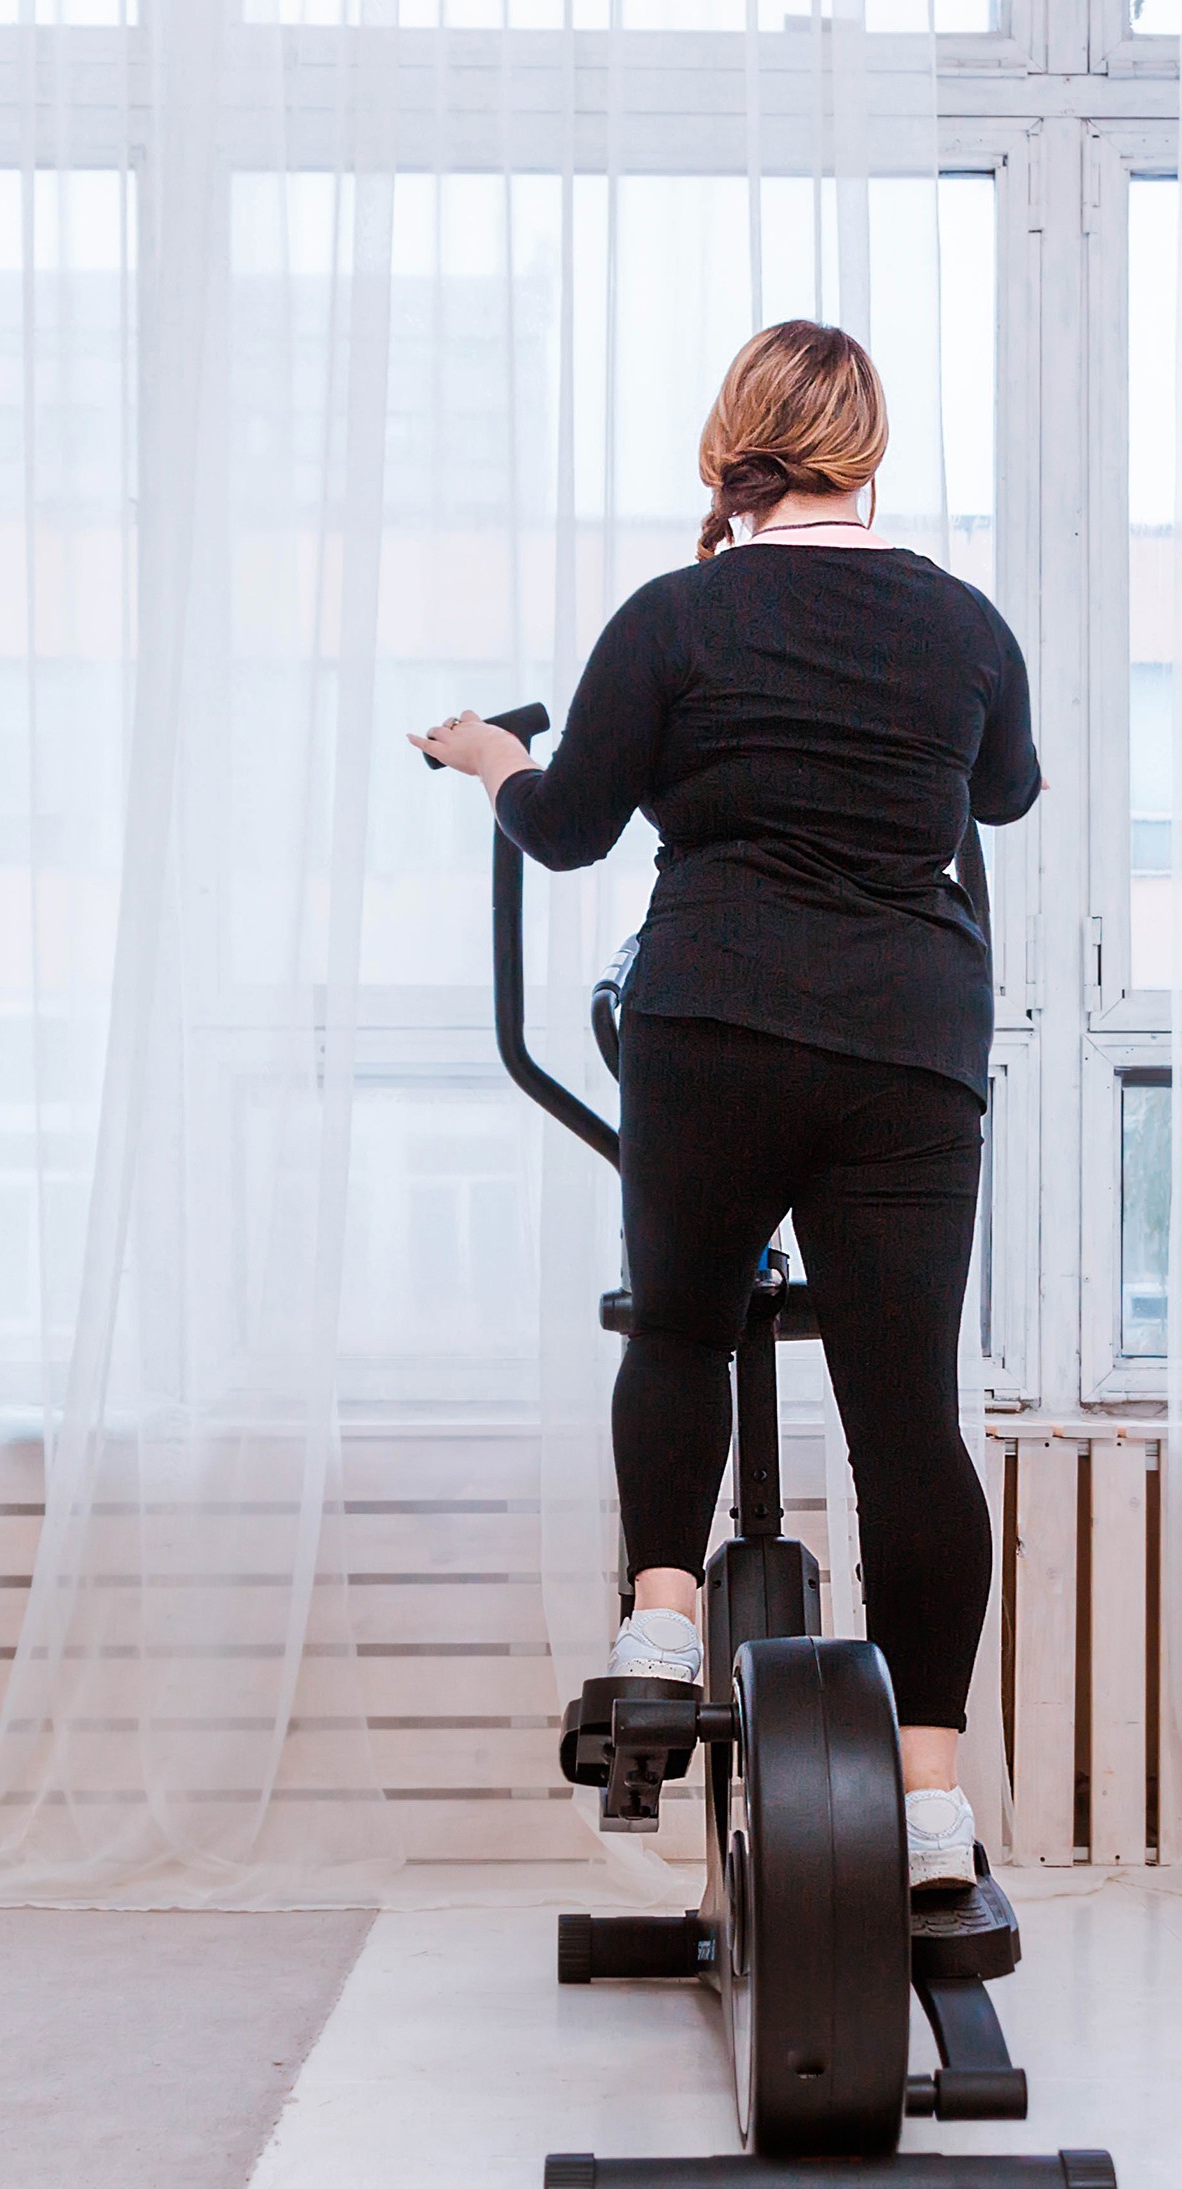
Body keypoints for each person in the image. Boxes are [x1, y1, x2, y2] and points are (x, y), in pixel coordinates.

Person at [412, 320, 1038, 1896]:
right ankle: (939, 1806)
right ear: (871, 446)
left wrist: (492, 756)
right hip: (906, 1053)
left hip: (715, 1028)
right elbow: (1008, 791)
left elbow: (564, 830)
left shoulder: (678, 620)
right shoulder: (964, 629)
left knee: (685, 1326)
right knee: (910, 1422)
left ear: (736, 446)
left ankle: (662, 1612)